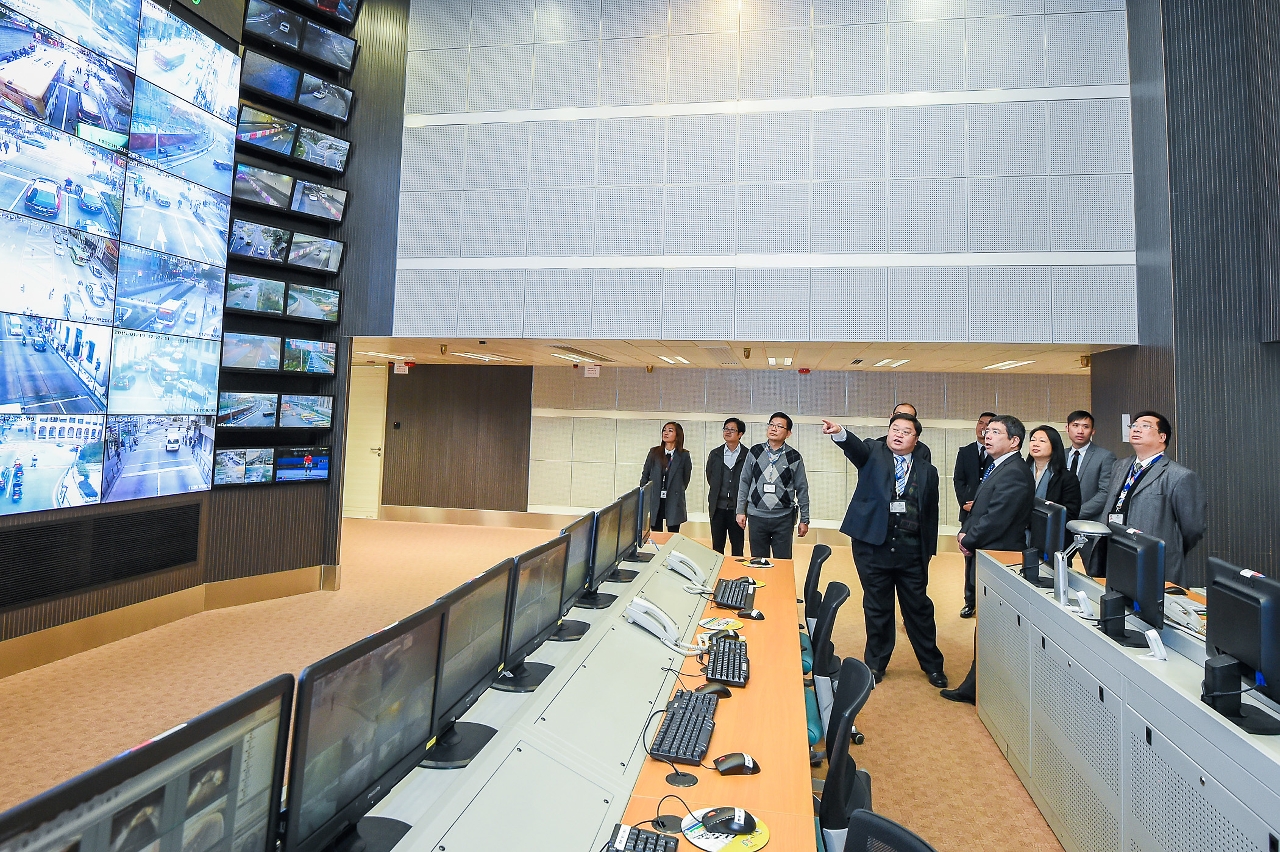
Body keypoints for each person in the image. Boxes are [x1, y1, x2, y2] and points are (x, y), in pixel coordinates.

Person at [822, 414, 946, 687]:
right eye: (894, 429)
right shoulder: (873, 453)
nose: (898, 435)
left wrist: (928, 552)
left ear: (916, 438)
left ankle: (933, 666)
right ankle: (875, 665)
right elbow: (854, 447)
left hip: (911, 551)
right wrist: (840, 432)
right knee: (877, 606)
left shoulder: (928, 471)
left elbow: (931, 514)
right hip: (872, 547)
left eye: (906, 431)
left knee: (919, 608)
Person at [942, 414, 1035, 703]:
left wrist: (969, 539)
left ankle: (977, 687)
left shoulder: (1015, 471)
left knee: (993, 626)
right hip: (985, 552)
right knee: (987, 624)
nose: (987, 434)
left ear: (1014, 441)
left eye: (996, 431)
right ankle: (976, 685)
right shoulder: (999, 466)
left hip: (998, 556)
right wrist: (964, 532)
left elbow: (997, 516)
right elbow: (979, 508)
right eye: (987, 430)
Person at [1101, 411, 1206, 587]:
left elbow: (1192, 529)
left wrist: (1170, 546)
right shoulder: (1120, 466)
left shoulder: (1179, 476)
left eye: (1145, 426)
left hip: (1151, 560)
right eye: (1134, 425)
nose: (1136, 429)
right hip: (1116, 552)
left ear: (1162, 437)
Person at [736, 412, 810, 559]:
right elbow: (744, 481)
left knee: (782, 561)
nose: (774, 428)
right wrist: (740, 511)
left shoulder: (794, 457)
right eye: (771, 424)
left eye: (779, 426)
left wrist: (805, 519)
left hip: (783, 518)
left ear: (788, 433)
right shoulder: (755, 451)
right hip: (756, 516)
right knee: (757, 561)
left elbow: (802, 488)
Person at [954, 412, 995, 614]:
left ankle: (988, 603)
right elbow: (958, 481)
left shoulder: (998, 455)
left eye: (989, 425)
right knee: (968, 557)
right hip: (968, 513)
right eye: (981, 423)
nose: (983, 427)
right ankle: (970, 601)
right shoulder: (965, 451)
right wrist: (964, 503)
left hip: (990, 515)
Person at [706, 417, 748, 556]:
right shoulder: (715, 454)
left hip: (737, 509)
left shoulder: (747, 455)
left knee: (737, 547)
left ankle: (736, 574)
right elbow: (710, 476)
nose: (728, 432)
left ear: (740, 434)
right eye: (726, 429)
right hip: (718, 507)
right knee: (717, 546)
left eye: (732, 429)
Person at [640, 421, 692, 533]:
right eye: (664, 430)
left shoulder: (684, 455)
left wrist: (676, 490)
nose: (666, 433)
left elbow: (685, 479)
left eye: (670, 430)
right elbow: (645, 474)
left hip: (673, 498)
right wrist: (644, 492)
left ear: (677, 435)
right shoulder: (654, 452)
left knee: (673, 532)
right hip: (655, 497)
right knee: (655, 531)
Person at [1064, 410, 1115, 521]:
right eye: (1075, 425)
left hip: (1088, 521)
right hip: (1060, 520)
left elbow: (1105, 493)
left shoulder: (1105, 456)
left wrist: (1075, 514)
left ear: (1093, 431)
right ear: (1067, 428)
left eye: (1086, 427)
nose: (1080, 431)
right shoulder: (1061, 455)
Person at [1026, 425, 1082, 521]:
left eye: (1042, 441)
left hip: (1051, 531)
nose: (1035, 444)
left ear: (1054, 446)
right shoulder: (1021, 473)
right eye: (1033, 440)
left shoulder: (1067, 478)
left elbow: (1070, 514)